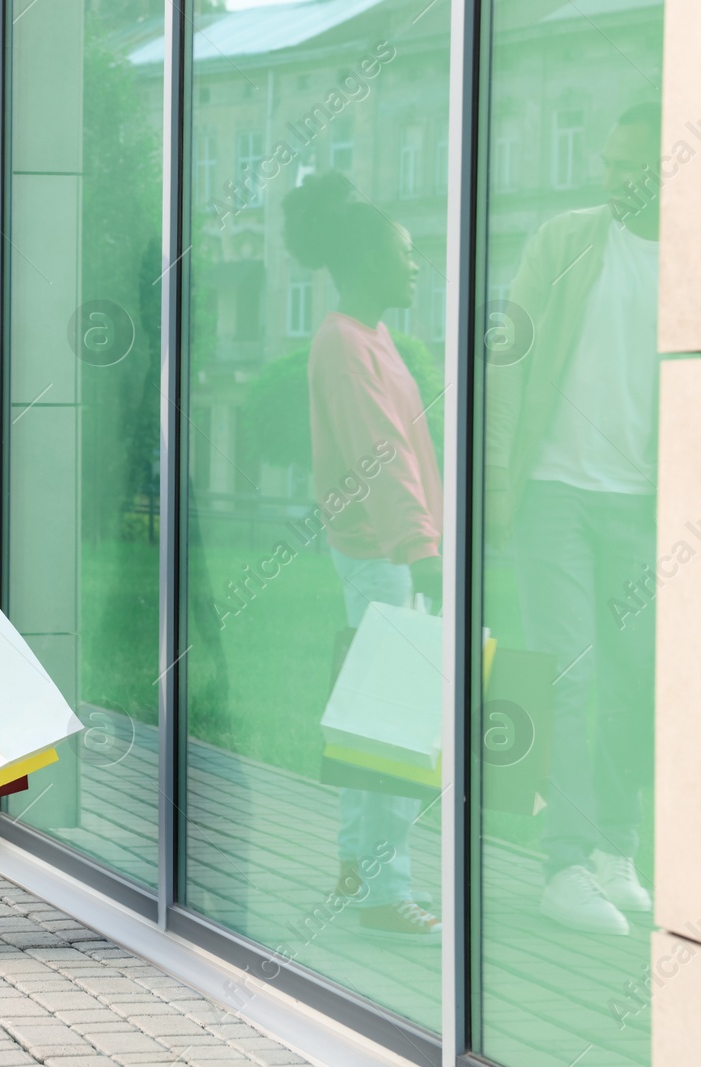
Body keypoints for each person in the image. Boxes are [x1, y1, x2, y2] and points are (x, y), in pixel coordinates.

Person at [487, 103, 661, 936]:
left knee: (635, 685)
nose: (616, 177)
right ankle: (564, 864)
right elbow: (508, 353)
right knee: (565, 672)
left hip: (644, 506)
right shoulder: (565, 240)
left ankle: (616, 852)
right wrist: (495, 486)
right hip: (553, 491)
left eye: (635, 164)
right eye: (609, 160)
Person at [282, 170, 443, 941]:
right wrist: (422, 549)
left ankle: (359, 866)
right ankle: (386, 890)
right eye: (405, 253)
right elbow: (384, 456)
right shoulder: (346, 343)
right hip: (383, 556)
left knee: (372, 717)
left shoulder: (368, 338)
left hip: (384, 554)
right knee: (395, 729)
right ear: (366, 260)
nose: (416, 265)